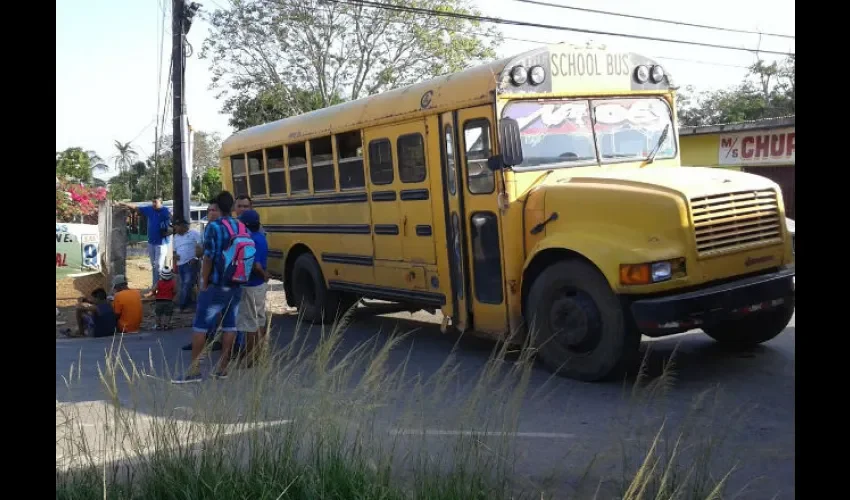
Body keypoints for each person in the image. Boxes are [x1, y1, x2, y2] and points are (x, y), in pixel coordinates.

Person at [173, 191, 246, 383]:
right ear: (231, 206)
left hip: (216, 284)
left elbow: (208, 257)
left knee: (200, 327)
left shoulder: (214, 227)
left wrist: (204, 282)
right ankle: (223, 369)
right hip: (236, 283)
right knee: (230, 325)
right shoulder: (240, 225)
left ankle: (194, 371)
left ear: (218, 208)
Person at [235, 210, 270, 367]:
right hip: (260, 286)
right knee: (260, 319)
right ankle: (261, 352)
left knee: (250, 323)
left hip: (250, 285)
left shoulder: (250, 240)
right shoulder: (261, 238)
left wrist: (263, 274)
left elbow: (256, 265)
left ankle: (249, 357)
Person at [117, 196, 172, 287]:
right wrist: (122, 203)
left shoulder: (166, 211)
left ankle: (157, 287)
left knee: (158, 266)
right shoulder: (149, 209)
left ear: (161, 202)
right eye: (153, 202)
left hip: (162, 243)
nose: (154, 204)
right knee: (154, 266)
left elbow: (173, 219)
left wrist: (171, 227)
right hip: (151, 243)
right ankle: (156, 285)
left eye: (156, 202)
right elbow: (135, 207)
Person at [172, 218, 203, 311]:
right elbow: (174, 250)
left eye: (176, 227)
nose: (175, 229)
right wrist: (175, 256)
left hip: (190, 263)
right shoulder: (175, 237)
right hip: (180, 264)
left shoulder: (194, 233)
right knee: (184, 285)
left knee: (187, 284)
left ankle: (182, 305)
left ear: (182, 226)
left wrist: (196, 258)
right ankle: (190, 305)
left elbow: (201, 245)